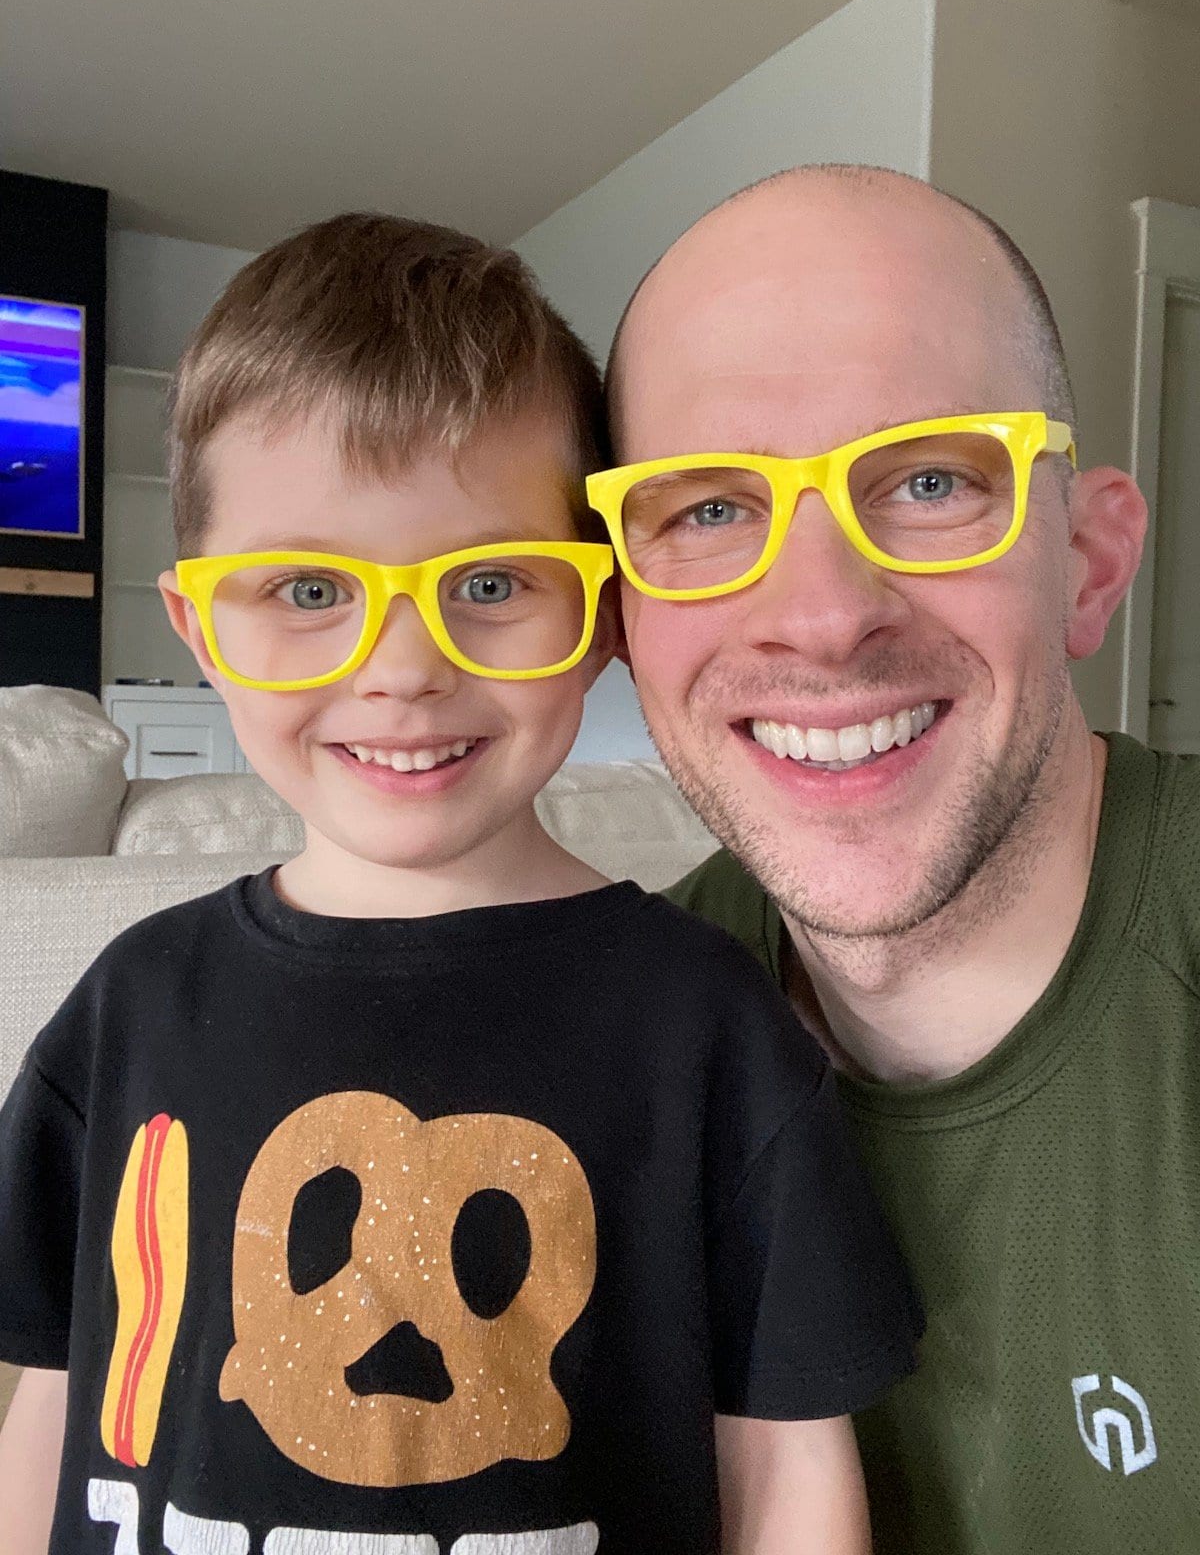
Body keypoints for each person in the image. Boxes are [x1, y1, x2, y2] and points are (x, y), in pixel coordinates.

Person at [0, 212, 921, 1554]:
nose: (402, 668)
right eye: (306, 590)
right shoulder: (130, 1006)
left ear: (600, 612)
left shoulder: (708, 1025)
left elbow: (786, 1463)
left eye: (489, 582)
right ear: (199, 626)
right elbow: (56, 1392)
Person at [585, 160, 1200, 1552]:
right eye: (709, 509)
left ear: (1090, 564)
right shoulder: (600, 1048)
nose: (821, 615)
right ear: (620, 613)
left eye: (929, 480)